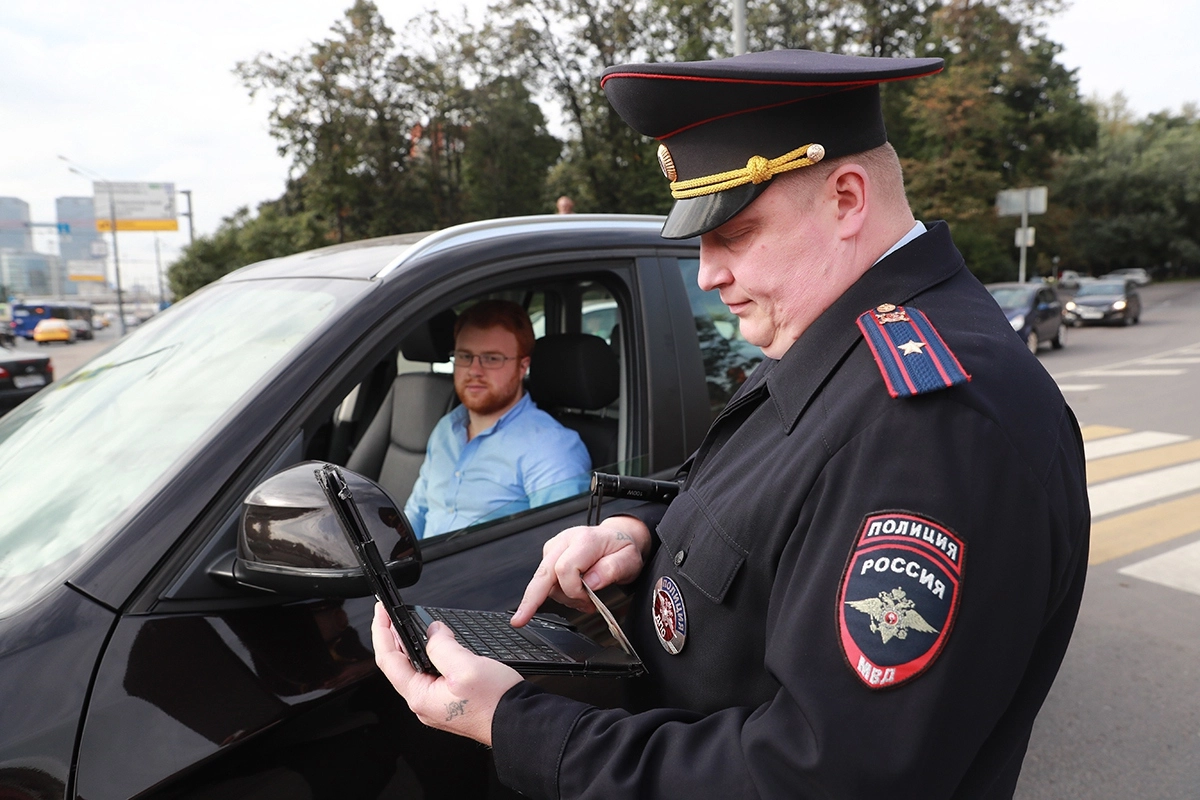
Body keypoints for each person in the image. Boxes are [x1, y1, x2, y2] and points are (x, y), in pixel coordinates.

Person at [373, 50, 1090, 798]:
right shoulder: (833, 336)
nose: (707, 273)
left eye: (736, 232)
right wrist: (641, 535)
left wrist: (520, 725)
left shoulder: (935, 423)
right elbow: (760, 493)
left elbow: (821, 777)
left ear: (847, 198)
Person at [402, 299, 591, 539]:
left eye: (492, 358)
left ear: (522, 367)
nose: (474, 370)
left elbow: (560, 546)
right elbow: (417, 512)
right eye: (465, 356)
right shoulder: (446, 428)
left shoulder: (551, 447)